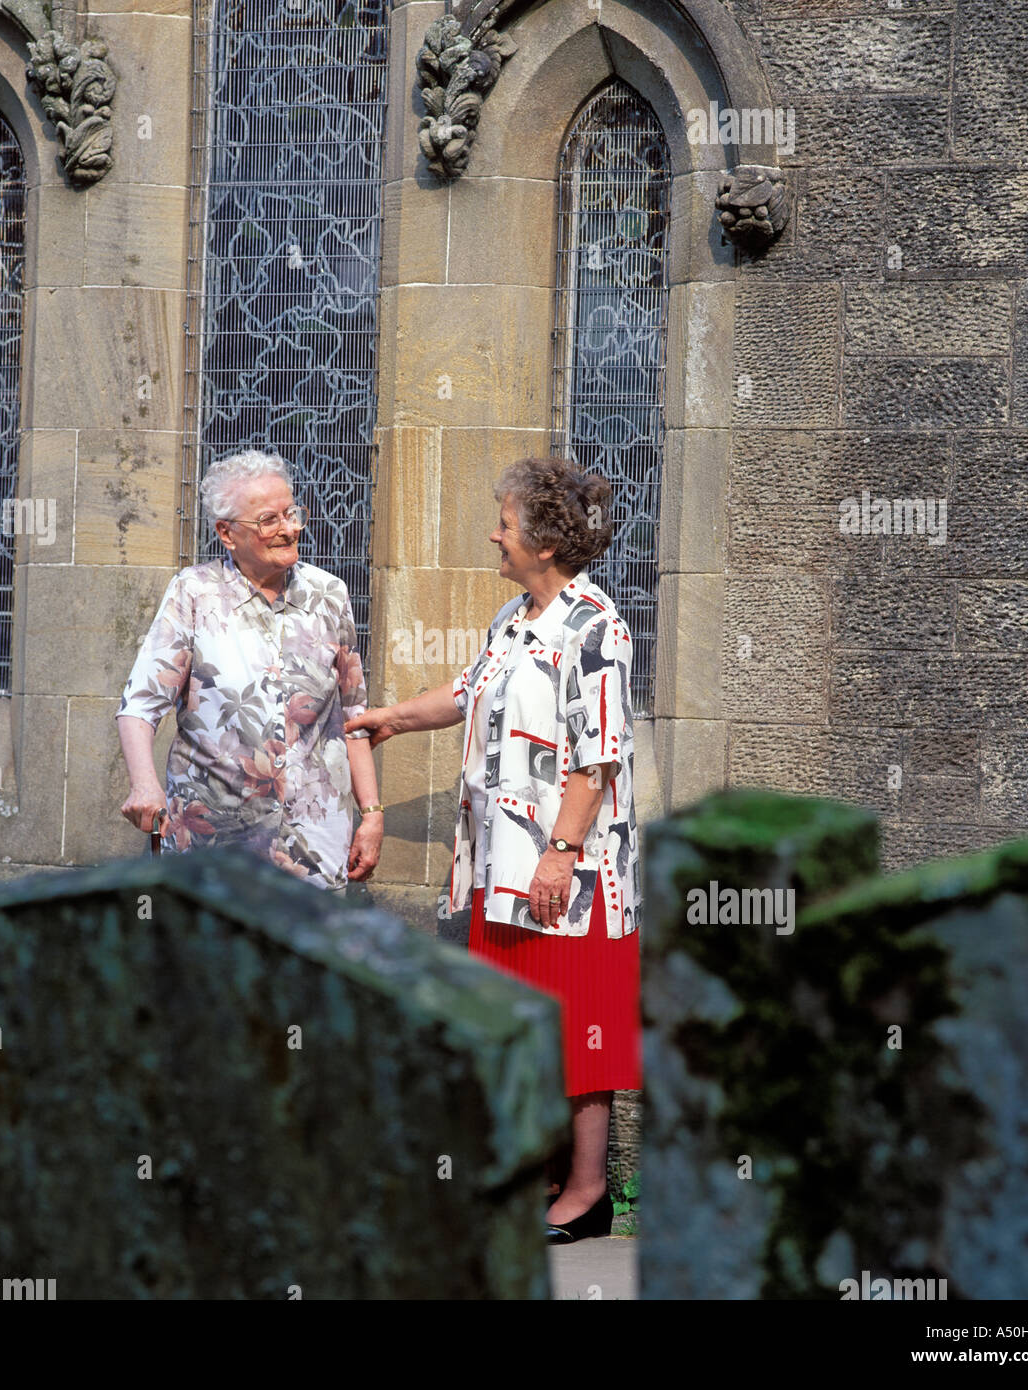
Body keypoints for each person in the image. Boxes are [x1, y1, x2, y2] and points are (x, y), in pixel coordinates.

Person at [346, 456, 640, 1243]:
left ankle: (587, 1195)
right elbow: (466, 689)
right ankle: (537, 1177)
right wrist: (390, 720)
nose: (494, 534)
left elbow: (597, 754)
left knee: (581, 1027)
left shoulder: (596, 626)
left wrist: (561, 852)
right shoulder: (514, 620)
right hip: (498, 865)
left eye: (505, 523)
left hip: (568, 871)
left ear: (544, 542)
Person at [117, 449, 383, 890]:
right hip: (216, 842)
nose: (289, 529)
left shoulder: (329, 595)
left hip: (313, 843)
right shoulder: (194, 594)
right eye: (269, 520)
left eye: (292, 513)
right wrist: (144, 786)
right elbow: (139, 706)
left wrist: (372, 814)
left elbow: (355, 716)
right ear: (227, 533)